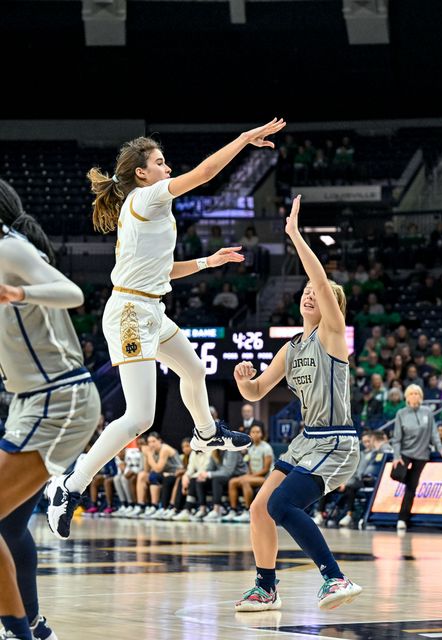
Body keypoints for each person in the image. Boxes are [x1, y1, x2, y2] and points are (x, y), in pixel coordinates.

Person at [45, 122, 287, 538]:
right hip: (130, 312)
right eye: (160, 162)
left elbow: (163, 269)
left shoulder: (150, 207)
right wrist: (245, 140)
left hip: (150, 308)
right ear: (142, 172)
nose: (168, 167)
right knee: (139, 417)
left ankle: (207, 434)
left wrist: (208, 263)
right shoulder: (148, 195)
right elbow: (207, 173)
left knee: (194, 371)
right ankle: (70, 485)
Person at [232, 194, 362, 612]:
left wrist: (294, 236)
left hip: (336, 442)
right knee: (259, 510)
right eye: (304, 291)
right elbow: (256, 394)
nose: (310, 293)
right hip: (307, 442)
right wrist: (244, 382)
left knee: (280, 504)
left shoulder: (332, 335)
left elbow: (322, 282)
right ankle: (266, 588)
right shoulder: (290, 349)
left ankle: (334, 577)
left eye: (316, 292)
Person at [0, 179, 101, 640]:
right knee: (7, 525)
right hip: (31, 402)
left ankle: (22, 631)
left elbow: (73, 294)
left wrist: (20, 294)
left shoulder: (8, 248)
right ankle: (30, 628)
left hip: (60, 399)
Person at [390, 384, 442, 531]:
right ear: (407, 397)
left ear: (421, 397)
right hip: (405, 452)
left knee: (411, 489)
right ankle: (412, 481)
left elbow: (434, 433)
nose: (415, 396)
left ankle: (402, 519)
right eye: (412, 394)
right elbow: (396, 438)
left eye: (417, 394)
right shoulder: (401, 413)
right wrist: (396, 456)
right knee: (396, 474)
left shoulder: (427, 412)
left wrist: (440, 447)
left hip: (422, 454)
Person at [225, 424, 274, 522]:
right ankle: (233, 510)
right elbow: (250, 466)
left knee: (245, 481)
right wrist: (249, 475)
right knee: (233, 482)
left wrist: (249, 477)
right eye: (253, 432)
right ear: (250, 434)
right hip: (254, 476)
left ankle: (248, 512)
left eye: (258, 432)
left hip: (266, 477)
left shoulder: (267, 448)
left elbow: (265, 469)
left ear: (262, 434)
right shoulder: (251, 448)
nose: (255, 434)